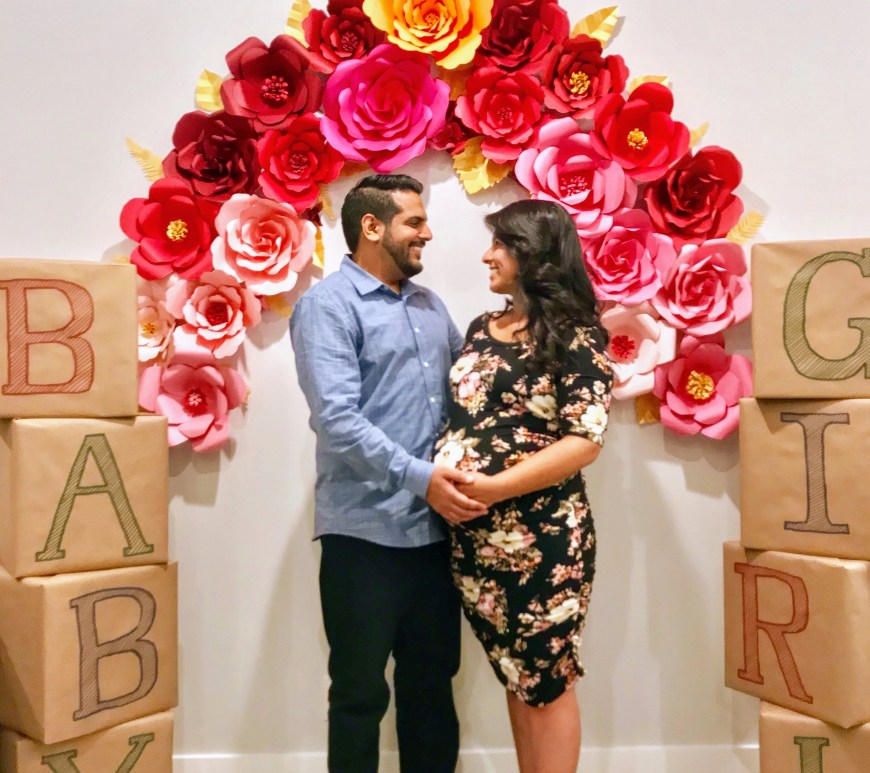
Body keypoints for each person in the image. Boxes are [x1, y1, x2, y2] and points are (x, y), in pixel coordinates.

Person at [289, 174, 486, 773]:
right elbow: (337, 420)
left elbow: (469, 391)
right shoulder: (327, 306)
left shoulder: (430, 306)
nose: (428, 233)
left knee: (432, 688)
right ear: (372, 227)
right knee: (359, 695)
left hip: (435, 535)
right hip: (363, 537)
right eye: (415, 222)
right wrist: (422, 478)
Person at [433, 199, 613, 773]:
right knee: (516, 674)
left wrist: (493, 487)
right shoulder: (480, 328)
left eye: (501, 245)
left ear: (534, 254)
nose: (487, 256)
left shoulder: (575, 334)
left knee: (548, 679)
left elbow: (585, 439)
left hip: (543, 540)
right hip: (475, 542)